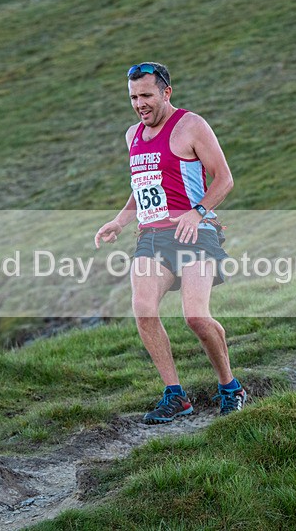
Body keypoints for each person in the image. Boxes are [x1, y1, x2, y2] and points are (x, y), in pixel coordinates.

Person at [94, 62, 245, 424]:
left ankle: (230, 387)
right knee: (143, 309)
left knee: (195, 316)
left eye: (146, 95)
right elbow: (142, 187)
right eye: (133, 97)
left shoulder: (191, 126)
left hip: (195, 233)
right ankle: (175, 396)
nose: (139, 104)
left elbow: (224, 180)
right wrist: (119, 219)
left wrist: (197, 212)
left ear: (166, 92)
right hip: (151, 237)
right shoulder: (132, 136)